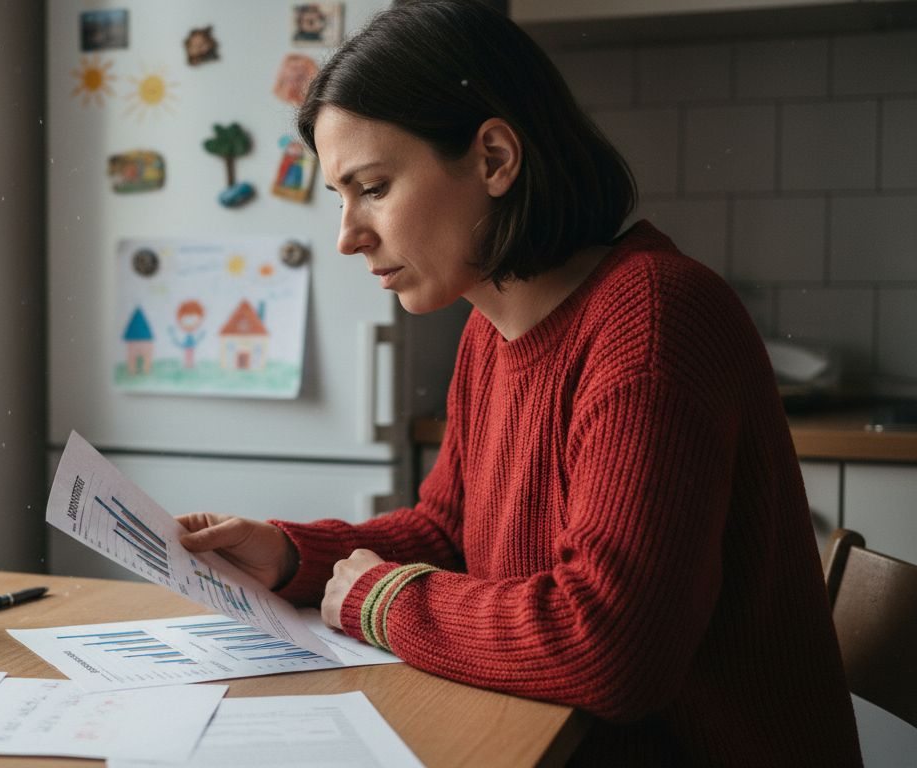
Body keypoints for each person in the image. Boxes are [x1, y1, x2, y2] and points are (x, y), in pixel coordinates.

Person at [177, 1, 863, 764]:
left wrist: (379, 601)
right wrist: (291, 556)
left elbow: (610, 647)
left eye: (372, 187)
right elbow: (449, 536)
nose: (347, 236)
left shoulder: (654, 319)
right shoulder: (492, 329)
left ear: (495, 159)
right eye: (340, 198)